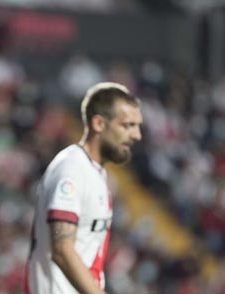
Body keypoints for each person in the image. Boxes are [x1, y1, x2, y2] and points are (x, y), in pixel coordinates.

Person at [27, 82, 142, 294]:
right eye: (127, 125)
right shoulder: (71, 170)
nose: (136, 135)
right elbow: (61, 249)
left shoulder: (95, 172)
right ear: (99, 123)